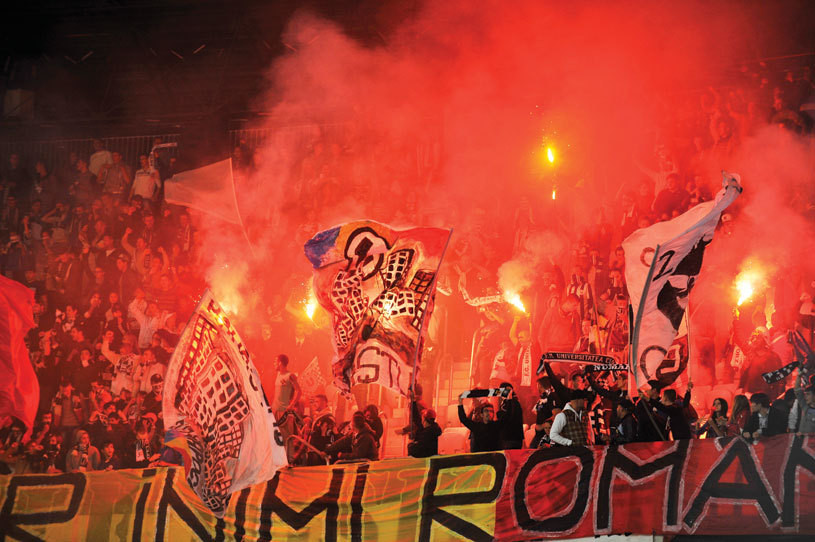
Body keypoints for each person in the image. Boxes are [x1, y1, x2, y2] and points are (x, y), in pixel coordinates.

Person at [497, 382, 525, 449]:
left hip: (511, 438)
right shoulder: (504, 403)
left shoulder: (513, 403)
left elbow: (509, 417)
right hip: (508, 438)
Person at [792, 369, 815, 434]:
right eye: (805, 394)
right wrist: (799, 376)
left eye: (808, 394)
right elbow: (797, 389)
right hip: (803, 441)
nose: (805, 397)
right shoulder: (804, 406)